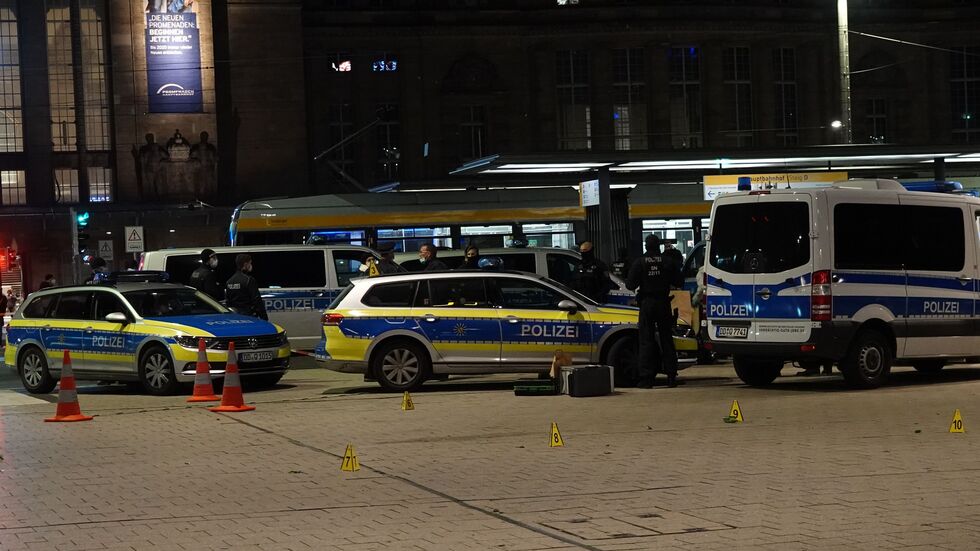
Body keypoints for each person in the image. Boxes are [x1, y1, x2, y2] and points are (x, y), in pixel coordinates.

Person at [626, 234, 683, 388]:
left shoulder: (640, 262)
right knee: (667, 339)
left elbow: (630, 284)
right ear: (658, 246)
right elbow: (679, 281)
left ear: (646, 246)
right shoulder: (668, 261)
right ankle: (671, 375)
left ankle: (647, 378)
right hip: (664, 303)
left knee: (646, 340)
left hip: (647, 303)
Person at [225, 254, 267, 320]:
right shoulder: (249, 280)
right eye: (250, 263)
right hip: (248, 315)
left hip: (235, 316)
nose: (251, 265)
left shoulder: (229, 281)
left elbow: (228, 301)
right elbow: (257, 300)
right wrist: (264, 317)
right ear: (245, 264)